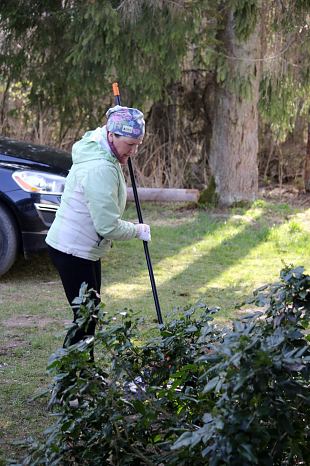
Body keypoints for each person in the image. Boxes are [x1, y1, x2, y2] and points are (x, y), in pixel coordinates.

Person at [46, 105, 151, 349]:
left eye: (138, 144)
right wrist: (137, 230)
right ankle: (71, 379)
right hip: (72, 250)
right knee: (84, 319)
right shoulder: (100, 167)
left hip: (83, 247)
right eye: (130, 144)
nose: (133, 151)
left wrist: (119, 116)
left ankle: (85, 375)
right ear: (111, 135)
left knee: (89, 315)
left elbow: (102, 130)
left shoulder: (99, 145)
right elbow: (107, 226)